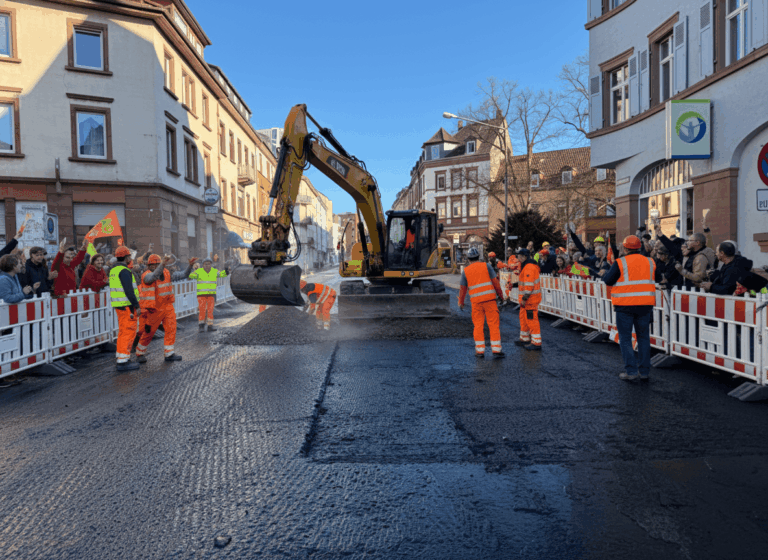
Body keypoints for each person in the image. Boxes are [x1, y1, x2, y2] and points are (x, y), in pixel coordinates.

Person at [602, 235, 661, 382]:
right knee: (643, 338)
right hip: (645, 306)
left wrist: (604, 275)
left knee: (626, 339)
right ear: (639, 247)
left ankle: (631, 372)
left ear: (625, 247)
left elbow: (608, 281)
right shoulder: (650, 261)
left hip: (625, 306)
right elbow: (659, 278)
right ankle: (644, 372)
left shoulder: (620, 262)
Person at [135, 254, 193, 363]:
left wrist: (190, 266)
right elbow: (153, 277)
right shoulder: (146, 275)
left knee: (171, 328)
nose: (156, 267)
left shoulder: (167, 272)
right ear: (149, 266)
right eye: (153, 265)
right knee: (150, 332)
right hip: (154, 309)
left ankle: (169, 353)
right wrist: (162, 264)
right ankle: (139, 352)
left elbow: (183, 275)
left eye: (157, 264)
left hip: (167, 307)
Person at [458, 247, 505, 358]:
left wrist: (461, 302)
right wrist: (501, 296)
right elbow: (496, 283)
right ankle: (496, 350)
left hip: (476, 303)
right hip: (490, 301)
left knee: (478, 326)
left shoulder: (466, 271)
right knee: (493, 325)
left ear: (468, 259)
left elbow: (462, 289)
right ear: (479, 257)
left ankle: (480, 351)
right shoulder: (487, 266)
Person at [108, 246, 142, 372]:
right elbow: (129, 291)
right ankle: (123, 361)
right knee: (128, 332)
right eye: (129, 257)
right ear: (127, 257)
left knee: (123, 332)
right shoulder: (124, 271)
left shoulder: (114, 271)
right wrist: (136, 306)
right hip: (127, 306)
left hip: (120, 306)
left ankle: (122, 357)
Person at [514, 248, 542, 351]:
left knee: (531, 321)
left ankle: (536, 342)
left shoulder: (529, 268)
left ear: (524, 257)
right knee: (524, 320)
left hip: (530, 300)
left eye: (519, 256)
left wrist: (524, 299)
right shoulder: (527, 267)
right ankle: (525, 339)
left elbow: (529, 286)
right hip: (527, 301)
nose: (518, 258)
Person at [189, 257, 227, 332]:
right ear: (203, 265)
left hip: (211, 295)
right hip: (201, 295)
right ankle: (201, 326)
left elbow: (222, 274)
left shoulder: (214, 271)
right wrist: (192, 268)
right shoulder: (199, 271)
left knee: (210, 310)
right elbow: (190, 276)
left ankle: (210, 326)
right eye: (205, 264)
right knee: (202, 310)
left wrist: (226, 269)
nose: (207, 265)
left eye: (208, 264)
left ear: (211, 265)